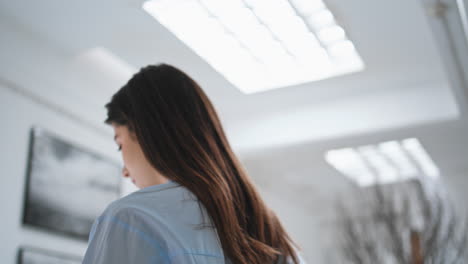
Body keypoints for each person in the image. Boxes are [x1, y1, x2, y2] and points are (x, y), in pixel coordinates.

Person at [82, 64, 306, 264]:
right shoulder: (270, 232)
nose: (124, 171)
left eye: (120, 144)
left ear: (143, 133)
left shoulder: (132, 218)